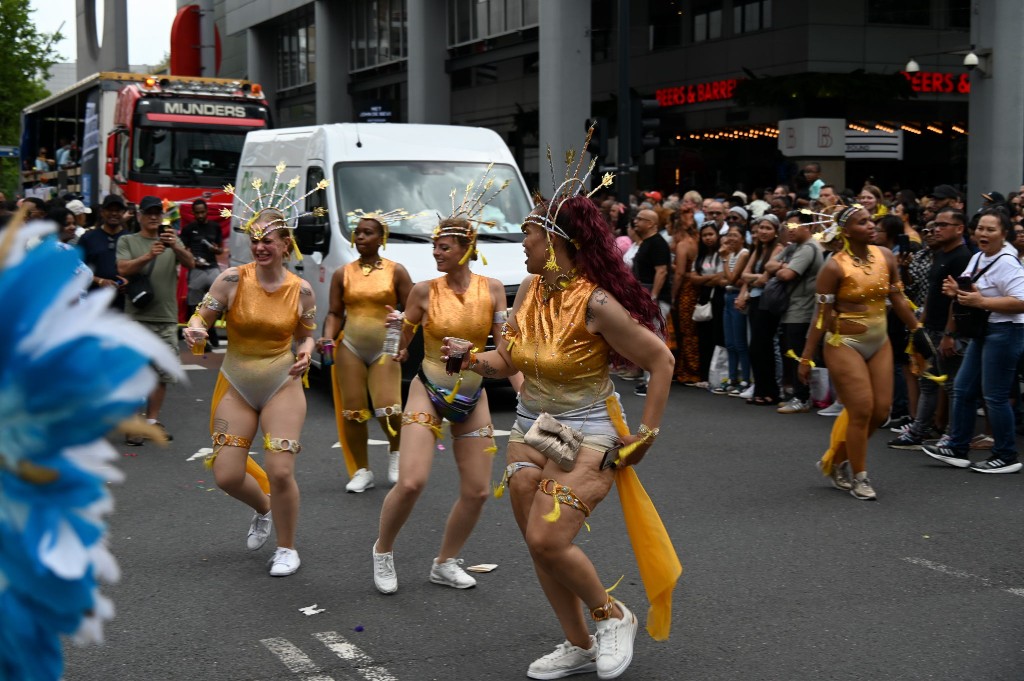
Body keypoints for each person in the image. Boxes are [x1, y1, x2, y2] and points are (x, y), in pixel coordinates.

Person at [446, 182, 678, 680]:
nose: (522, 244)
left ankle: (612, 616)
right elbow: (506, 359)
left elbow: (661, 359)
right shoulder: (528, 290)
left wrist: (646, 434)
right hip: (534, 425)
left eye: (528, 233)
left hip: (589, 428)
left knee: (550, 538)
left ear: (554, 241)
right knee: (537, 541)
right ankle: (578, 644)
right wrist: (469, 357)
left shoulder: (595, 304)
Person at [372, 175, 514, 595]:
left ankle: (445, 561)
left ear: (467, 248)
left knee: (476, 491)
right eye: (433, 246)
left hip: (473, 392)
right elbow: (402, 344)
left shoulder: (492, 291)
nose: (436, 252)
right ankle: (382, 549)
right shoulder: (421, 291)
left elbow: (505, 350)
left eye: (444, 246)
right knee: (412, 481)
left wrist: (523, 384)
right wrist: (395, 336)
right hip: (429, 389)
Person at [183, 179, 324, 576]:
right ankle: (264, 508)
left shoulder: (302, 290)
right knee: (226, 475)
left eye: (269, 240)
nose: (260, 247)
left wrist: (306, 353)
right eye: (254, 239)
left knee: (280, 470)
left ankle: (286, 547)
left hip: (282, 381)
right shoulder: (231, 279)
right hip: (238, 383)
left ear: (285, 244)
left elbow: (307, 334)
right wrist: (195, 329)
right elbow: (202, 315)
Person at [798, 205, 921, 500]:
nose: (871, 225)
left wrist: (918, 331)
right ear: (846, 230)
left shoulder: (886, 256)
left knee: (880, 411)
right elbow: (820, 316)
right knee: (862, 409)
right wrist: (806, 356)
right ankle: (860, 476)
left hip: (880, 341)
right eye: (862, 222)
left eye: (871, 220)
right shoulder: (834, 267)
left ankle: (836, 460)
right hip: (844, 343)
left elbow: (899, 298)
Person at [921, 208, 1024, 473]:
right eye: (980, 228)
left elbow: (1021, 301)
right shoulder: (979, 257)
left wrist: (981, 301)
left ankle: (1006, 455)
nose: (983, 233)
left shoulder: (1007, 262)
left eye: (991, 230)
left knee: (995, 397)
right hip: (982, 332)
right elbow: (968, 288)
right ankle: (957, 447)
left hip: (1005, 332)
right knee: (964, 389)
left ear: (1004, 234)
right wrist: (956, 291)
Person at [320, 210, 413, 492]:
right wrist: (326, 338)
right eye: (358, 232)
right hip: (350, 347)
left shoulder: (396, 271)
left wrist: (404, 341)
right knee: (353, 411)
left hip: (386, 347)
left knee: (389, 408)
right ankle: (362, 470)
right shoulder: (342, 274)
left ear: (381, 237)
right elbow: (335, 313)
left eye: (368, 232)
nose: (360, 236)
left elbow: (413, 311)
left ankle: (396, 454)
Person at [888, 209, 972, 449]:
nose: (936, 229)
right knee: (927, 381)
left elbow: (957, 299)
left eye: (944, 225)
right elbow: (932, 296)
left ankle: (954, 436)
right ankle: (919, 431)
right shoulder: (941, 254)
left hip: (947, 331)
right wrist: (920, 327)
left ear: (959, 229)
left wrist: (949, 334)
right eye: (936, 225)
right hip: (931, 328)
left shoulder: (961, 257)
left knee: (952, 385)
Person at [116, 195, 195, 444]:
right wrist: (149, 256)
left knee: (162, 374)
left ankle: (151, 421)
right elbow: (122, 269)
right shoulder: (128, 240)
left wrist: (176, 246)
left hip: (166, 318)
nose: (153, 217)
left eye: (157, 213)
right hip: (136, 319)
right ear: (139, 216)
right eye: (148, 213)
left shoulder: (173, 241)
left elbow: (191, 263)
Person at [772, 212, 824, 414]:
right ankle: (797, 394)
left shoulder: (809, 248)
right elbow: (769, 264)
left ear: (808, 227)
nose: (789, 230)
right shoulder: (795, 247)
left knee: (797, 353)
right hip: (793, 307)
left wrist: (781, 267)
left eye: (793, 226)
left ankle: (802, 397)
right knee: (791, 351)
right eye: (787, 226)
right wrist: (781, 266)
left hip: (802, 309)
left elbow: (786, 274)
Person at [181, 199, 224, 346]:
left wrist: (216, 250)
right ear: (193, 213)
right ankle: (201, 336)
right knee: (195, 305)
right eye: (197, 212)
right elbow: (184, 250)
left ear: (206, 212)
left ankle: (212, 333)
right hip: (196, 269)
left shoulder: (215, 227)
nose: (200, 215)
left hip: (212, 267)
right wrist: (192, 261)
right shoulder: (188, 229)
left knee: (219, 300)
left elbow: (220, 249)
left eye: (202, 212)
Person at [717, 224, 751, 394]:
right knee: (729, 342)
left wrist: (723, 259)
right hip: (727, 296)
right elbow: (723, 280)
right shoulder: (731, 254)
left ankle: (745, 380)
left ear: (743, 238)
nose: (731, 238)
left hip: (737, 297)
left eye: (735, 235)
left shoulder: (744, 254)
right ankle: (732, 378)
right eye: (729, 235)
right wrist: (729, 278)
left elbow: (730, 278)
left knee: (740, 342)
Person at [690, 222, 724, 389]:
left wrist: (702, 278)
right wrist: (708, 279)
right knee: (703, 339)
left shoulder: (721, 254)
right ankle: (703, 376)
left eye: (711, 234)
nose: (708, 238)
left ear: (717, 235)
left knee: (715, 336)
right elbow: (693, 278)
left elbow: (721, 277)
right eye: (705, 235)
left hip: (717, 297)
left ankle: (715, 377)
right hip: (703, 297)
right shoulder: (700, 256)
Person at [79, 194, 129, 307]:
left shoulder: (130, 238)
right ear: (102, 212)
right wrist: (99, 281)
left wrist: (128, 283)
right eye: (109, 210)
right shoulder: (88, 238)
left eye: (118, 210)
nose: (114, 213)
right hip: (93, 303)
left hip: (123, 306)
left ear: (123, 213)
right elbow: (77, 269)